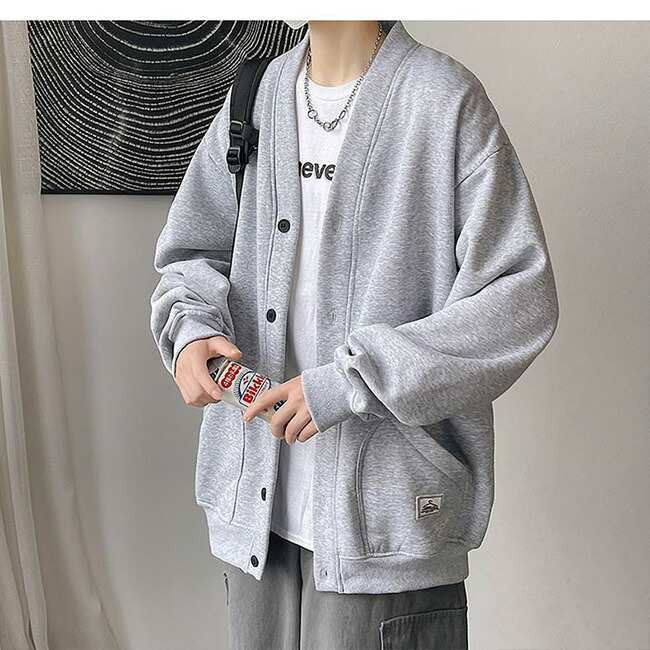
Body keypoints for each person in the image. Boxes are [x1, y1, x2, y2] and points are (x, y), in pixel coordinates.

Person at [150, 19, 559, 650]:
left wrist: (351, 381)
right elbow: (193, 252)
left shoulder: (443, 100)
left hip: (387, 529)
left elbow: (519, 299)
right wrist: (190, 330)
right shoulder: (255, 96)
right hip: (256, 522)